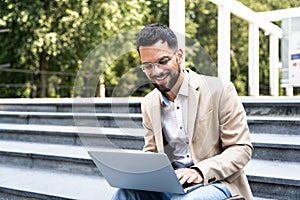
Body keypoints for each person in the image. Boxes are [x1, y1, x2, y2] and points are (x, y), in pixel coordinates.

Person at [112, 23, 253, 200]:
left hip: (216, 181)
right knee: (124, 193)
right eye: (147, 66)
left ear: (179, 56)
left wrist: (199, 171)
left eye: (163, 61)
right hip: (172, 183)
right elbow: (152, 154)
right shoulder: (148, 103)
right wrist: (141, 174)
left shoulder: (220, 90)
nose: (156, 72)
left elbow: (241, 148)